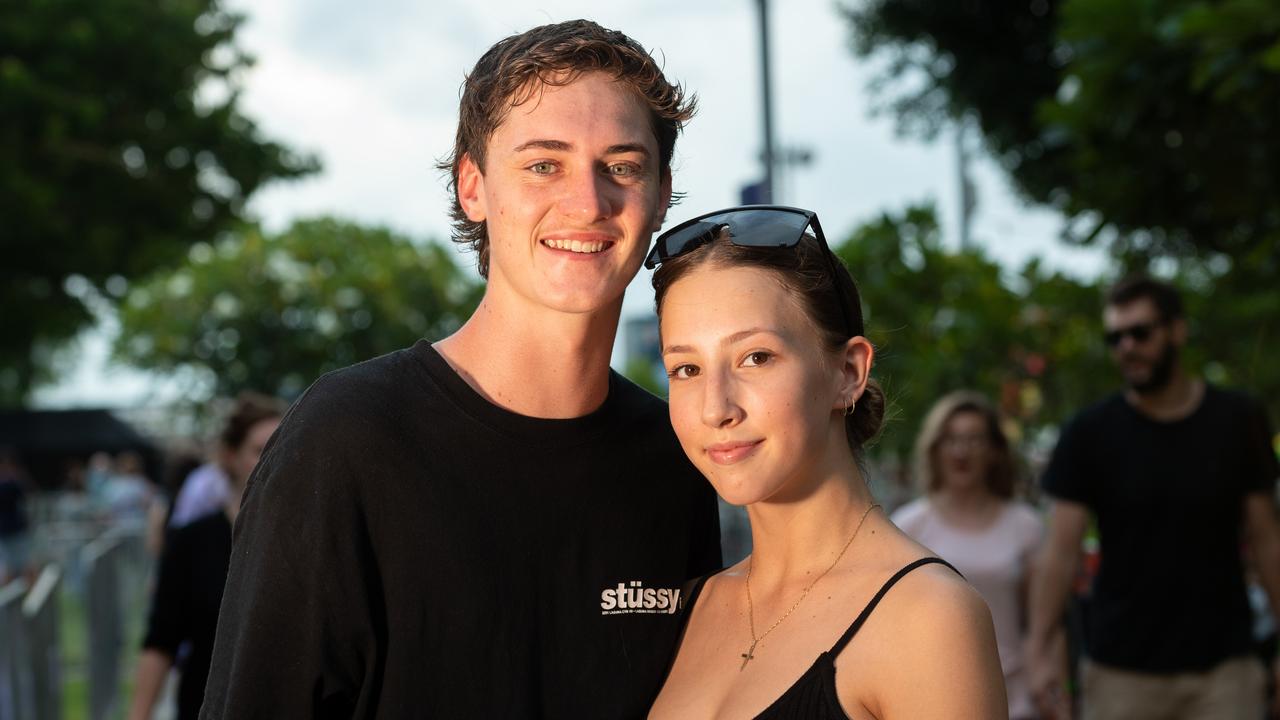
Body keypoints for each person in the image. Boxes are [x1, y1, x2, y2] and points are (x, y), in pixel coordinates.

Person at [200, 20, 721, 718]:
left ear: (659, 196)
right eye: (545, 164)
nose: (589, 202)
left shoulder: (676, 455)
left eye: (622, 166)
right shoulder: (347, 442)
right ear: (473, 187)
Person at [647, 207, 1006, 719]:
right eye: (686, 368)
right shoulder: (688, 606)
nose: (715, 409)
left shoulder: (929, 618)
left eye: (756, 357)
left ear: (848, 371)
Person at [1027, 275, 1280, 720]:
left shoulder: (1238, 419)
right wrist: (1041, 649)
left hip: (1225, 671)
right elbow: (1060, 552)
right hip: (1120, 674)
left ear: (1177, 330)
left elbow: (1267, 539)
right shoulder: (1089, 432)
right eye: (1115, 337)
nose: (1127, 346)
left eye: (1140, 332)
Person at [127, 393, 284, 720]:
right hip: (206, 705)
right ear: (231, 456)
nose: (274, 458)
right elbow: (161, 638)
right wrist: (139, 713)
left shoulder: (307, 539)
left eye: (282, 445)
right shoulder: (192, 541)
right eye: (259, 450)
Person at [892, 391, 1047, 720]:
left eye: (974, 440)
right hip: (930, 700)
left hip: (1015, 701)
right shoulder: (907, 526)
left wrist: (1048, 683)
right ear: (936, 449)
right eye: (951, 440)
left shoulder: (1026, 525)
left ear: (993, 451)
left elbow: (1041, 622)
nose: (962, 451)